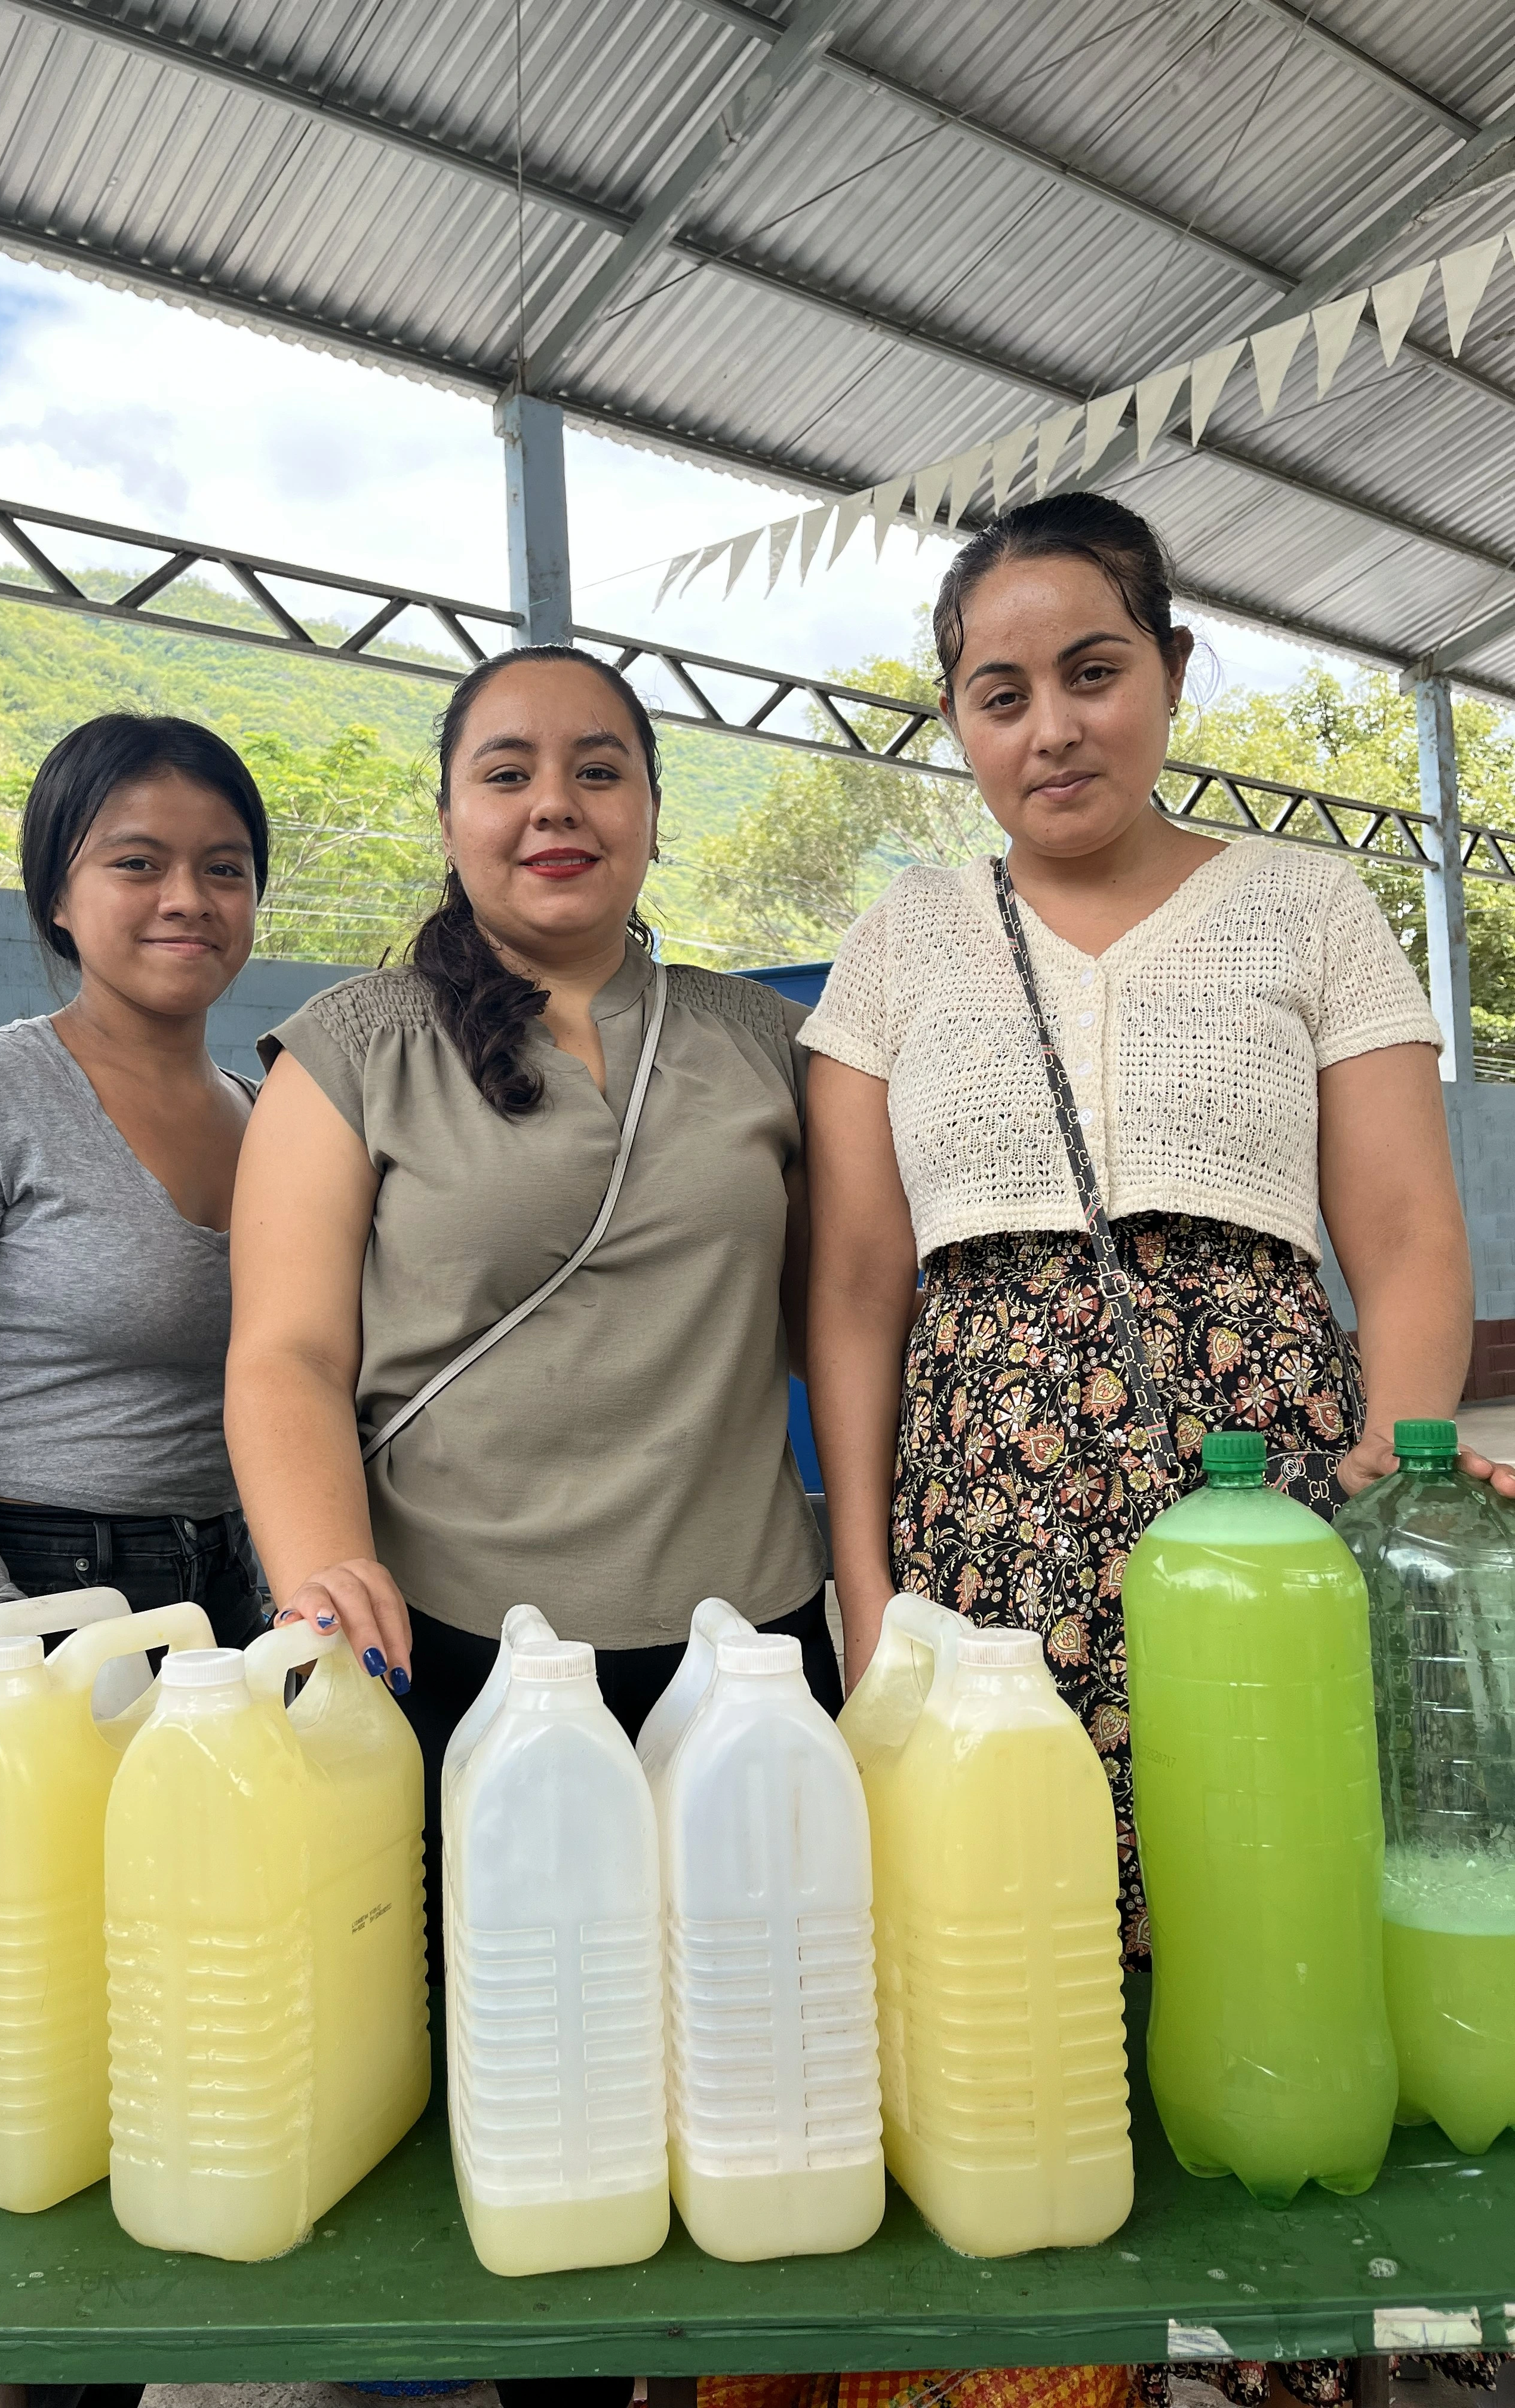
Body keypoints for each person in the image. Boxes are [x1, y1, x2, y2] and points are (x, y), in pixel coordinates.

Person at [801, 491, 1513, 2408]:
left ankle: (1301, 2340)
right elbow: (860, 1283)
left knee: (1267, 1892)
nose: (1054, 729)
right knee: (1014, 1932)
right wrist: (868, 1587)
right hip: (982, 1512)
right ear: (957, 720)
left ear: (1174, 673)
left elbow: (1405, 1233)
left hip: (1263, 1498)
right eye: (1000, 691)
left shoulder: (1306, 906)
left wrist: (1404, 1466)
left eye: (1095, 673)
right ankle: (1051, 2353)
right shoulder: (903, 941)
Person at [224, 645, 827, 2408]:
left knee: (756, 2089)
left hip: (747, 1659)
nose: (552, 805)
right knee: (527, 2110)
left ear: (651, 809)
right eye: (505, 772)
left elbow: (858, 1313)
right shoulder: (351, 1047)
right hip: (462, 1660)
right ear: (449, 814)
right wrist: (320, 1562)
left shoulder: (768, 1044)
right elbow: (286, 1349)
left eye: (597, 770)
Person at [0, 712, 274, 1650]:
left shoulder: (277, 1118)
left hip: (228, 1599)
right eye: (138, 864)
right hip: (26, 1584)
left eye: (225, 868)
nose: (188, 898)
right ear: (57, 899)